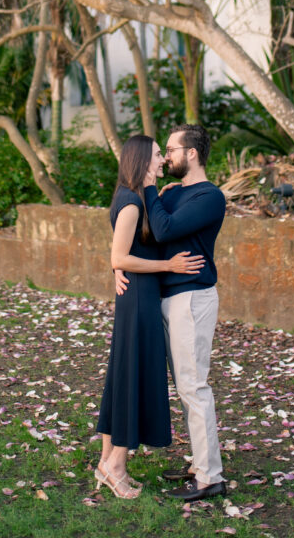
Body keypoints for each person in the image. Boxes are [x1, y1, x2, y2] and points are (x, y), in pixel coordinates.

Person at [116, 123, 227, 503]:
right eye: (160, 153)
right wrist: (119, 266)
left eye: (170, 150)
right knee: (185, 386)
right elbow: (140, 233)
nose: (164, 157)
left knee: (194, 386)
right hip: (169, 297)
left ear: (191, 154)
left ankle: (210, 477)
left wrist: (149, 183)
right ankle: (199, 464)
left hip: (192, 298)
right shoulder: (175, 192)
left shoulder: (209, 197)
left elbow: (162, 230)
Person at [95, 134, 205, 500]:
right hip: (140, 300)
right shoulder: (130, 204)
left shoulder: (139, 197)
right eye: (158, 155)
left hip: (138, 297)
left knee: (124, 374)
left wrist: (163, 190)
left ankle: (106, 461)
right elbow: (118, 258)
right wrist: (168, 264)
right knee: (135, 377)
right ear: (142, 161)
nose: (162, 160)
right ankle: (116, 467)